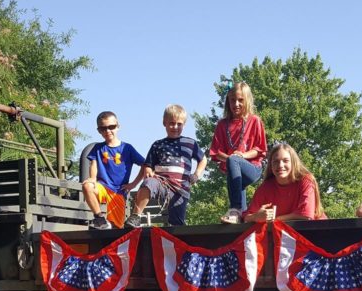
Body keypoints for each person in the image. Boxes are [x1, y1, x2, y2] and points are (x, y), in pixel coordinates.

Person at [125, 104, 207, 228]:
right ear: (164, 123)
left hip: (180, 189)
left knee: (177, 224)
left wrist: (196, 174)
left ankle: (177, 243)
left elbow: (203, 159)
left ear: (184, 124)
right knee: (148, 183)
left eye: (179, 124)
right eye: (171, 123)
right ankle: (136, 216)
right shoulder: (158, 144)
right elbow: (147, 164)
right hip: (161, 183)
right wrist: (147, 170)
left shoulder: (190, 143)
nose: (175, 127)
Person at [209, 81, 267, 224]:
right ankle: (242, 217)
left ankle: (235, 209)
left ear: (247, 100)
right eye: (232, 100)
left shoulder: (255, 121)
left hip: (252, 168)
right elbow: (216, 152)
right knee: (237, 182)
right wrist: (231, 159)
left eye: (240, 100)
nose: (236, 104)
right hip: (233, 170)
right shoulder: (222, 124)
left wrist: (241, 156)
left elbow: (260, 149)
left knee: (233, 161)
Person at [82, 111, 145, 229]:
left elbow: (145, 165)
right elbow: (93, 163)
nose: (107, 131)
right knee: (87, 186)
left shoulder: (127, 148)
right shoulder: (98, 148)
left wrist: (134, 184)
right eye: (103, 128)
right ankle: (99, 217)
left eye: (111, 127)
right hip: (102, 186)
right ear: (99, 130)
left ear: (118, 126)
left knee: (117, 227)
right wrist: (92, 178)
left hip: (118, 191)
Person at [242, 142, 326, 222]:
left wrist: (272, 219)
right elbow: (246, 217)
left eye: (285, 161)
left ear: (293, 163)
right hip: (281, 234)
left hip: (314, 232)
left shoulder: (306, 180)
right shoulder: (265, 187)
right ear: (271, 165)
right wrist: (256, 217)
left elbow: (305, 215)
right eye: (276, 161)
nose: (280, 165)